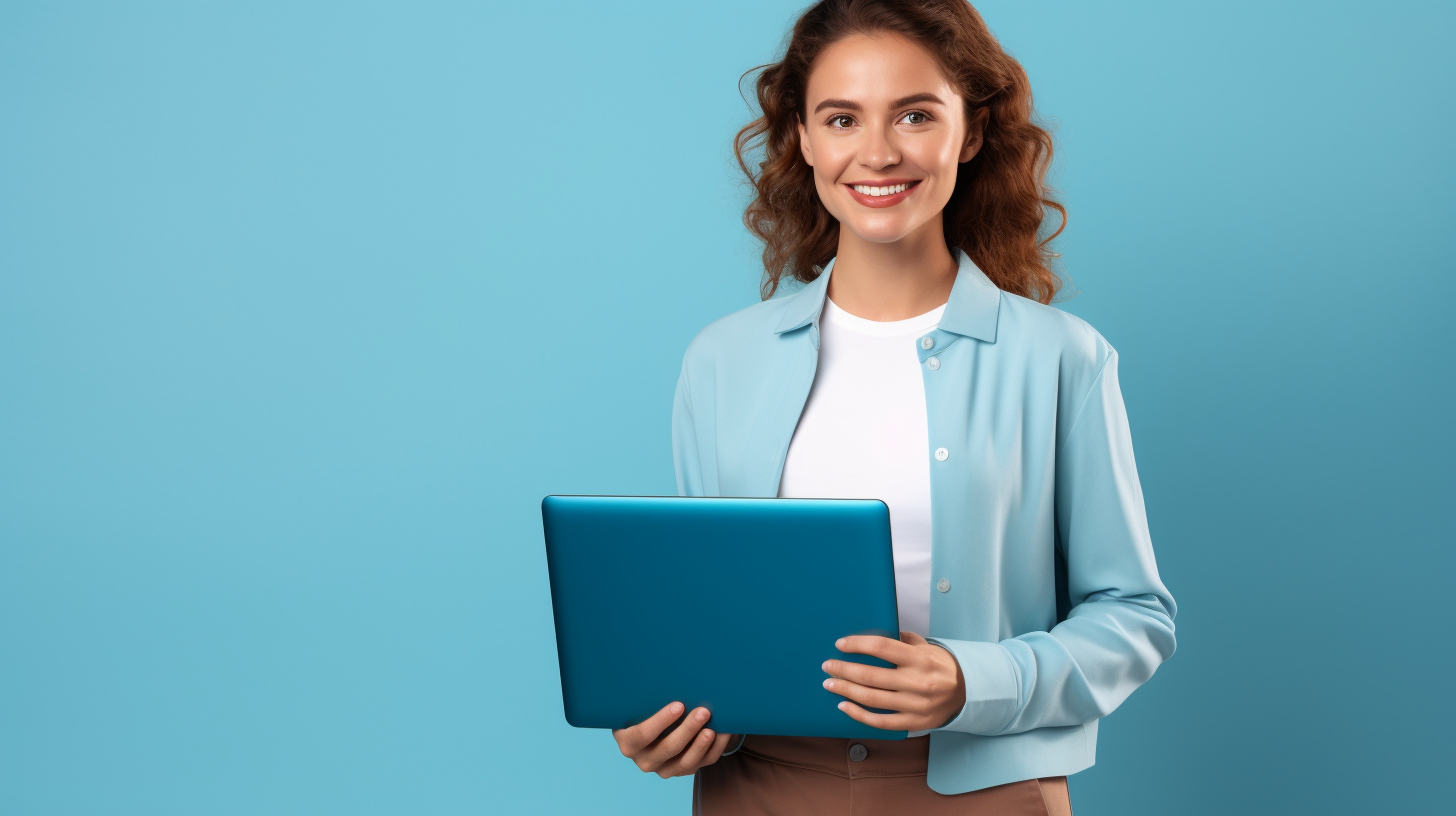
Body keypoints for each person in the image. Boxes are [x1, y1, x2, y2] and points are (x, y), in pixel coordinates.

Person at [612, 1, 1176, 813]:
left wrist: (969, 680)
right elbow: (712, 608)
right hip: (759, 786)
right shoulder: (720, 361)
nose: (877, 153)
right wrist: (674, 717)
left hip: (987, 788)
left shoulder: (1063, 357)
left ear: (970, 133)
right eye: (842, 118)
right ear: (804, 139)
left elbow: (1135, 614)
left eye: (915, 114)